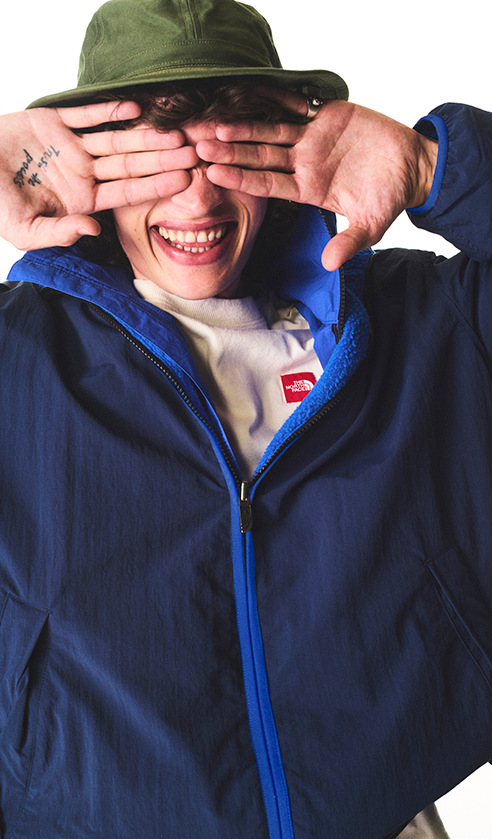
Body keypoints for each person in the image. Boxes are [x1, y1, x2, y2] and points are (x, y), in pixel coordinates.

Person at [0, 0, 490, 836]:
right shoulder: (19, 352)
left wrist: (437, 166)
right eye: (156, 154)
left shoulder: (425, 321)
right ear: (90, 158)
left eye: (226, 146)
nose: (195, 199)